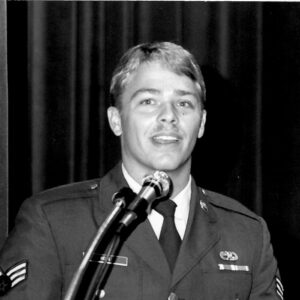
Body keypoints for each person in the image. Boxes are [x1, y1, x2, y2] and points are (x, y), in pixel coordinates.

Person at [0, 42, 283, 300]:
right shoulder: (51, 221)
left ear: (202, 123)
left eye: (184, 103)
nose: (169, 116)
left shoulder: (248, 235)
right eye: (149, 101)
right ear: (116, 120)